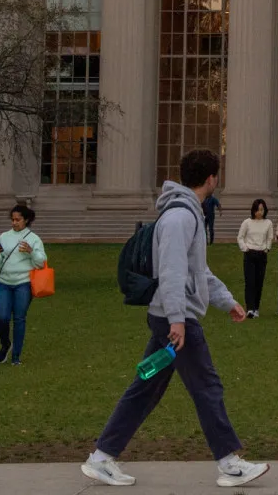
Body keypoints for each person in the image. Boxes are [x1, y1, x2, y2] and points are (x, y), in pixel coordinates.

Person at [83, 149, 268, 488]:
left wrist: (227, 302)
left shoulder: (186, 214)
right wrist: (177, 321)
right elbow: (170, 272)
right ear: (211, 178)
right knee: (206, 386)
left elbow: (197, 271)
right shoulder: (181, 218)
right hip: (175, 320)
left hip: (169, 318)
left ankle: (102, 456)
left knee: (146, 387)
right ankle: (229, 462)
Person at [0, 204, 48, 366]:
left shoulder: (33, 238)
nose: (14, 223)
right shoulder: (4, 236)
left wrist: (31, 251)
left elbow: (41, 262)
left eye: (18, 220)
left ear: (26, 220)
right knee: (2, 317)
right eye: (12, 220)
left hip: (23, 283)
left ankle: (16, 356)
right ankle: (5, 344)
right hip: (4, 283)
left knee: (19, 319)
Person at [236, 199, 274, 318]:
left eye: (262, 210)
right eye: (257, 210)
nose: (259, 212)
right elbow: (240, 237)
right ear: (253, 210)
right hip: (250, 254)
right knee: (250, 282)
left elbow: (270, 238)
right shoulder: (247, 222)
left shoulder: (268, 223)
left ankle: (256, 308)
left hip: (261, 254)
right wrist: (245, 248)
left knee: (259, 282)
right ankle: (250, 308)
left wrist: (267, 248)